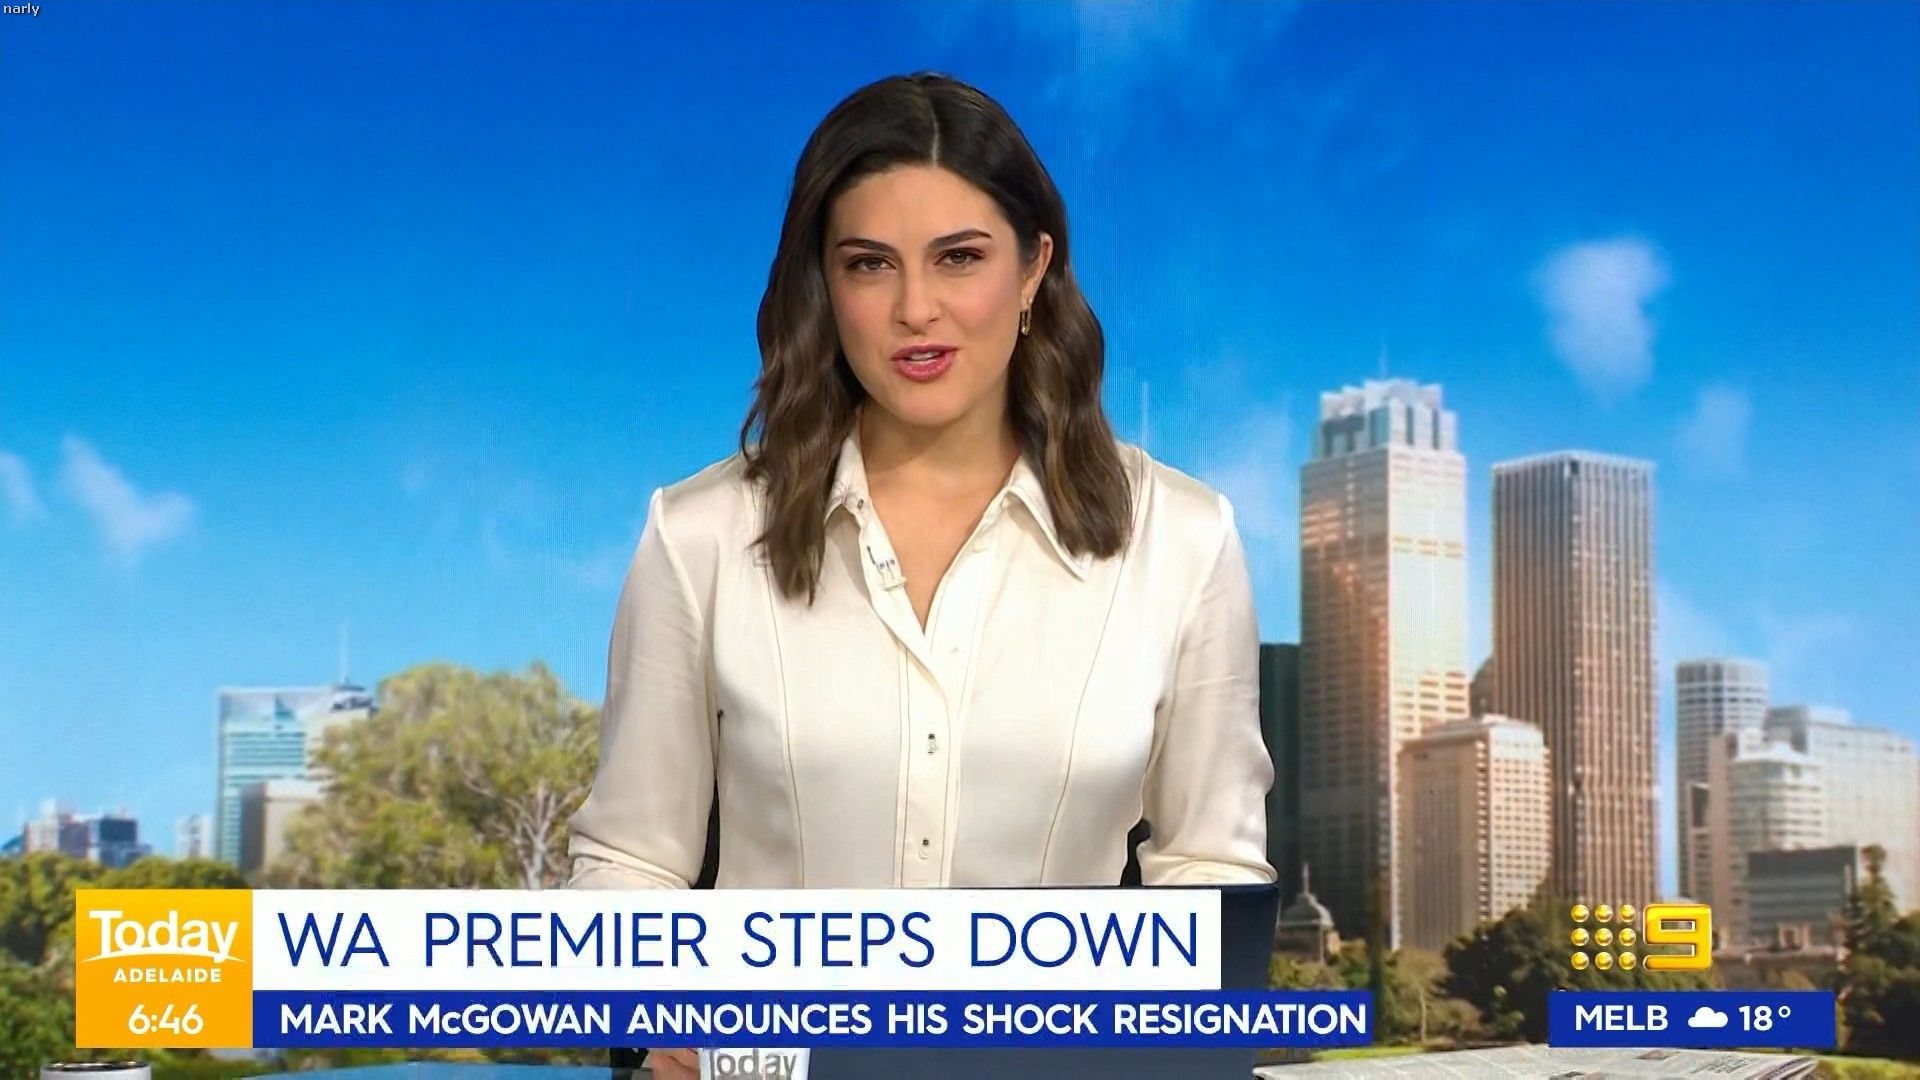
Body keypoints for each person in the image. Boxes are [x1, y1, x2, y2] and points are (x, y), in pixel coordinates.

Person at [566, 72, 1275, 1080]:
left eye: (959, 258)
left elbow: (1210, 871)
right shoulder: (698, 537)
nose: (915, 309)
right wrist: (655, 1018)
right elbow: (630, 861)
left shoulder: (1184, 540)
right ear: (824, 286)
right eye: (870, 265)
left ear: (1034, 269)